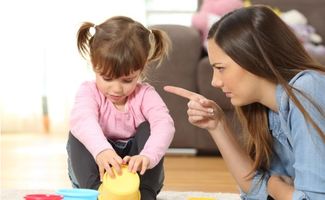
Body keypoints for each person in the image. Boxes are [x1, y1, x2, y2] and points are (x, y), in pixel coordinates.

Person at [164, 5, 325, 200]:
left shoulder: (307, 88)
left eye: (221, 68)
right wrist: (217, 125)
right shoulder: (268, 111)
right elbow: (256, 192)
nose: (215, 81)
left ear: (255, 58)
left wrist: (273, 185)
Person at [67, 16, 175, 200]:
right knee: (78, 132)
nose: (117, 89)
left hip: (137, 178)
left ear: (141, 70)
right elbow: (82, 119)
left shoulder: (145, 95)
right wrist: (102, 150)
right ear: (94, 66)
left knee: (149, 127)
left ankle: (146, 194)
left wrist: (147, 157)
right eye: (107, 78)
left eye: (127, 80)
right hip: (96, 174)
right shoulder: (88, 91)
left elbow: (164, 125)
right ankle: (95, 192)